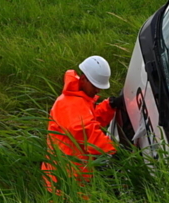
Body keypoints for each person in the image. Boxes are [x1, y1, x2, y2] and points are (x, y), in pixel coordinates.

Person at [42, 55, 124, 192]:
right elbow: (87, 132)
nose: (98, 90)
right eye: (95, 86)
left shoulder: (80, 100)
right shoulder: (69, 104)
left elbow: (90, 119)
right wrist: (112, 151)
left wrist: (109, 106)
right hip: (65, 179)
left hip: (74, 173)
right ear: (84, 78)